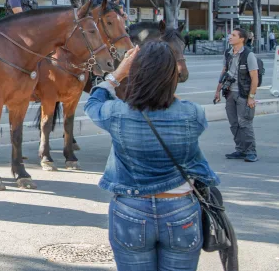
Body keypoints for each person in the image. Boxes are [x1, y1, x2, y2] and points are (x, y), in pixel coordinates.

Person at [86, 42, 220, 271]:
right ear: (173, 74)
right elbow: (172, 103)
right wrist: (163, 81)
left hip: (130, 209)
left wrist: (119, 73)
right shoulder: (193, 113)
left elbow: (93, 102)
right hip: (181, 208)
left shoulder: (117, 113)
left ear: (135, 73)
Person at [214, 27, 259, 162]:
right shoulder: (228, 53)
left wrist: (251, 97)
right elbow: (223, 73)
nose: (230, 37)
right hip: (229, 93)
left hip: (243, 94)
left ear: (241, 39)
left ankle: (251, 152)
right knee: (234, 124)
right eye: (230, 34)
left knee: (245, 123)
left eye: (233, 35)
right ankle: (240, 150)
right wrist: (217, 91)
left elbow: (254, 78)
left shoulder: (248, 55)